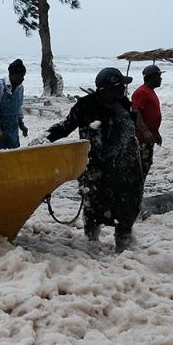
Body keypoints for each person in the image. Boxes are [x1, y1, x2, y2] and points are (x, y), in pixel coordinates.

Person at [46, 67, 145, 252]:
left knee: (127, 208)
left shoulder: (123, 104)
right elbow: (65, 126)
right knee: (93, 207)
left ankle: (123, 245)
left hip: (126, 169)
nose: (123, 89)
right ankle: (91, 243)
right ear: (105, 88)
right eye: (120, 85)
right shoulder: (86, 106)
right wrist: (45, 138)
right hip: (96, 168)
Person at [131, 64, 163, 176]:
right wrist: (144, 130)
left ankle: (139, 189)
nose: (161, 79)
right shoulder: (142, 92)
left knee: (147, 163)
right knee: (141, 166)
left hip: (149, 135)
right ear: (152, 77)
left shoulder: (150, 91)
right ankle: (136, 191)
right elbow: (136, 111)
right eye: (158, 76)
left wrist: (156, 132)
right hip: (142, 137)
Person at [0, 59, 29, 150]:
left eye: (23, 76)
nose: (22, 79)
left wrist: (21, 125)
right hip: (0, 126)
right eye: (20, 76)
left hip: (12, 126)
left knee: (14, 155)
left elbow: (18, 107)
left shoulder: (20, 88)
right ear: (12, 75)